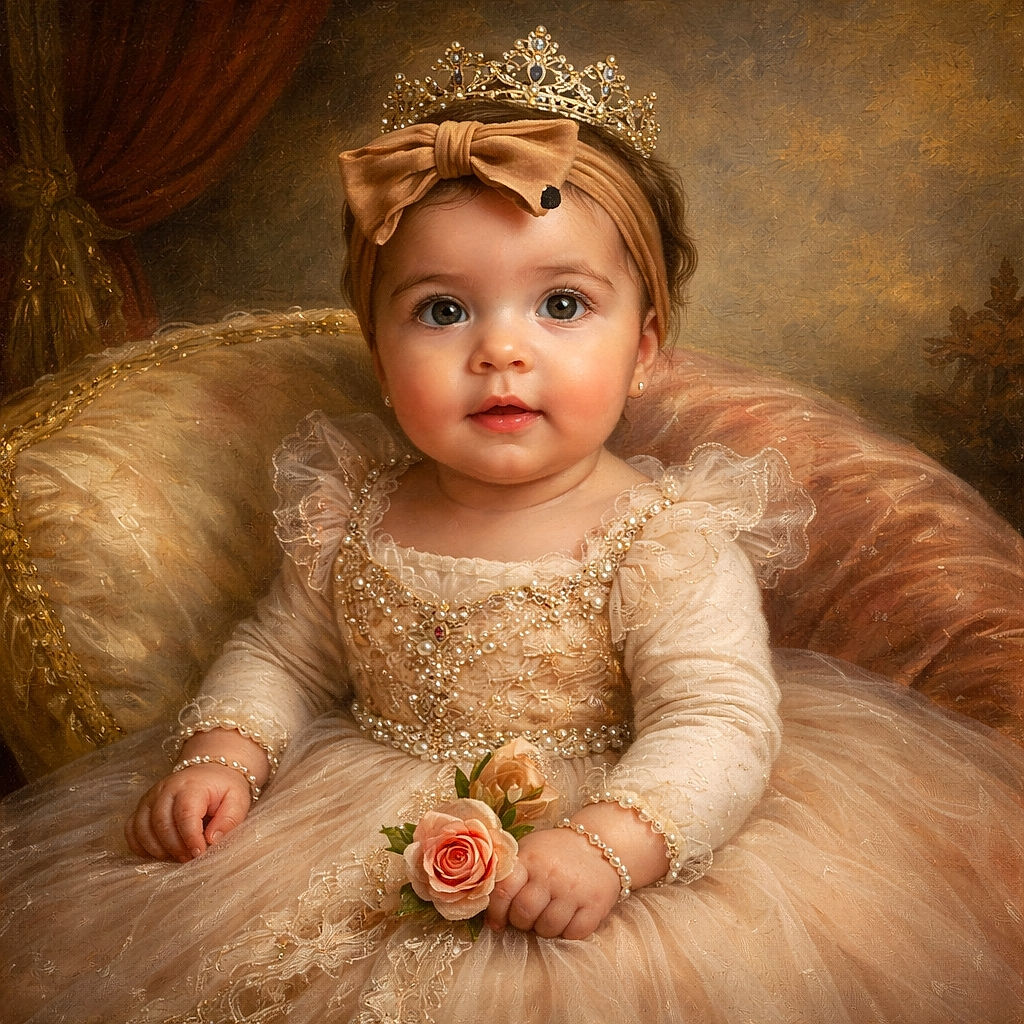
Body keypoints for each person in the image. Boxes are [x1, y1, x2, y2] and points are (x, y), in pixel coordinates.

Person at [2, 26, 1023, 1024]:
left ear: (644, 348)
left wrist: (613, 841)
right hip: (350, 821)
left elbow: (714, 719)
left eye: (563, 305)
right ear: (377, 341)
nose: (500, 351)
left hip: (604, 825)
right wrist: (225, 749)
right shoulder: (350, 509)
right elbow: (281, 651)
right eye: (443, 311)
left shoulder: (661, 536)